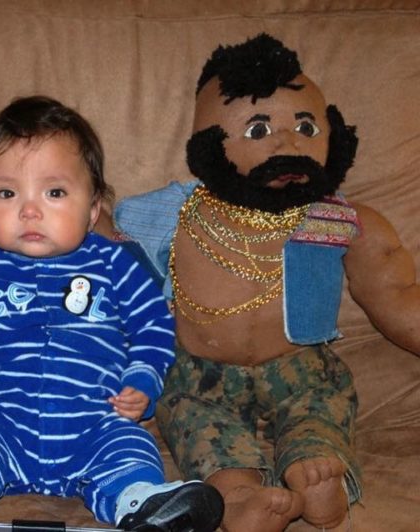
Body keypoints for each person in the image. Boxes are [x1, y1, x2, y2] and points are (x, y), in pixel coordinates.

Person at [110, 34, 420, 532]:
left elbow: (398, 296)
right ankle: (238, 492)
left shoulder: (337, 220)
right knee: (194, 422)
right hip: (199, 378)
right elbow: (106, 260)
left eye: (305, 125)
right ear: (209, 145)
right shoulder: (167, 215)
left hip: (303, 369)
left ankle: (315, 475)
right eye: (258, 128)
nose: (288, 142)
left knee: (322, 411)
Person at [0, 95, 224, 532]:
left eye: (54, 192)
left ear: (93, 208)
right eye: (6, 193)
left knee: (130, 447)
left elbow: (153, 324)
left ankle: (140, 503)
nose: (29, 209)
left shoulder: (113, 264)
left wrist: (141, 381)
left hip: (93, 419)